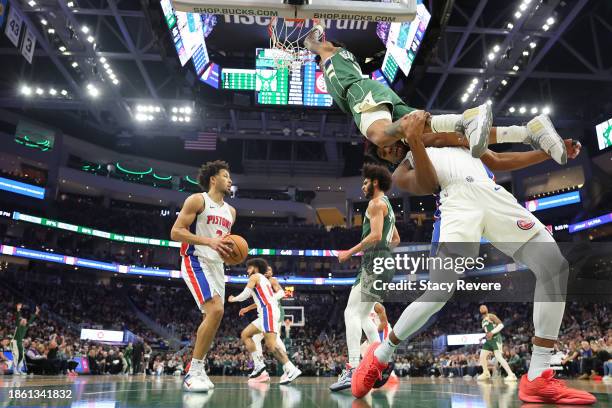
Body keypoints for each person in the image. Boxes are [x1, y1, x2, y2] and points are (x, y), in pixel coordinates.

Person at [351, 111, 596, 405]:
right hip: (457, 203)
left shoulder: (448, 136)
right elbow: (430, 183)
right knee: (438, 293)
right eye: (384, 153)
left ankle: (538, 376)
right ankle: (381, 355)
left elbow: (498, 161)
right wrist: (415, 141)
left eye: (387, 144)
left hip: (493, 195)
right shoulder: (402, 172)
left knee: (555, 266)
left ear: (396, 132)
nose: (388, 151)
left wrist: (548, 152)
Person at [303, 24, 567, 164]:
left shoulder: (331, 52)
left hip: (359, 93)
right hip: (373, 92)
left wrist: (314, 32)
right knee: (432, 133)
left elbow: (310, 42)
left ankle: (473, 119)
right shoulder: (346, 63)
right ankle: (526, 132)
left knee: (379, 135)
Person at [330, 164, 400, 392]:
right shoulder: (387, 205)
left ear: (375, 182)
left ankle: (352, 368)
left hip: (374, 263)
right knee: (362, 317)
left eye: (365, 182)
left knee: (350, 312)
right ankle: (380, 361)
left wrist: (348, 253)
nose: (362, 186)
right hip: (384, 262)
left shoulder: (375, 203)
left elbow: (377, 235)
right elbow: (395, 238)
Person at [171, 160, 236, 392]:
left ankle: (199, 367)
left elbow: (224, 242)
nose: (230, 180)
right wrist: (209, 242)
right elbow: (176, 232)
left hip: (218, 267)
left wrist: (230, 253)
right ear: (213, 179)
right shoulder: (198, 200)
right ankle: (193, 372)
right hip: (196, 260)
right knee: (216, 309)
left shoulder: (231, 212)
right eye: (226, 176)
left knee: (214, 316)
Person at [228, 258, 302, 385]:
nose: (247, 270)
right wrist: (247, 308)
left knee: (271, 345)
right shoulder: (263, 280)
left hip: (269, 312)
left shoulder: (256, 276)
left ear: (256, 267)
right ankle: (259, 365)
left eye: (249, 267)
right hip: (264, 313)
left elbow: (246, 294)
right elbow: (259, 299)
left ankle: (290, 368)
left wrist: (233, 299)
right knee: (246, 334)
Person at [238, 265, 288, 382]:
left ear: (272, 272)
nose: (267, 272)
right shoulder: (262, 282)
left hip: (275, 313)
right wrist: (247, 309)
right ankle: (261, 370)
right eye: (265, 270)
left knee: (275, 340)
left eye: (270, 270)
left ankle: (287, 369)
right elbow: (261, 302)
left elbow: (281, 293)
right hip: (267, 313)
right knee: (255, 338)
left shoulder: (272, 280)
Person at [476, 305, 517, 382]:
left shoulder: (491, 316)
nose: (482, 308)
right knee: (482, 356)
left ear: (487, 309)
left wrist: (492, 332)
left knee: (498, 357)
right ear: (480, 311)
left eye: (484, 307)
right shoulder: (482, 320)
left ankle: (511, 374)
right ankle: (486, 373)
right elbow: (488, 333)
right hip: (488, 341)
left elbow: (501, 325)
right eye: (481, 307)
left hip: (495, 339)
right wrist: (483, 337)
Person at [11, 303, 39, 375]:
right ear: (20, 322)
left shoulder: (26, 327)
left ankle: (19, 369)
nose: (24, 320)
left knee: (22, 355)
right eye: (22, 320)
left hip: (20, 342)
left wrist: (36, 313)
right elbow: (18, 317)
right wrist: (18, 309)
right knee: (16, 355)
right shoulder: (18, 326)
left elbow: (31, 319)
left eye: (25, 320)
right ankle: (14, 369)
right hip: (15, 341)